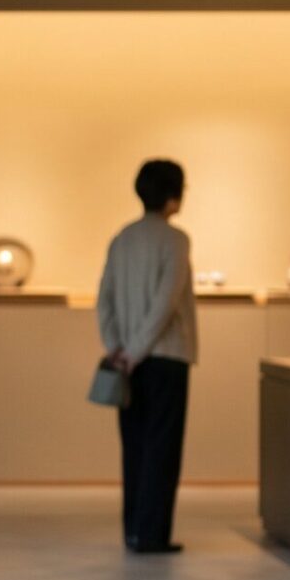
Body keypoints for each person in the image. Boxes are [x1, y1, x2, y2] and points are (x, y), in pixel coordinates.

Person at [96, 158, 196, 554]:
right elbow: (167, 303)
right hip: (166, 357)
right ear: (173, 194)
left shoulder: (122, 238)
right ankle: (152, 535)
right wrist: (138, 350)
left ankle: (133, 529)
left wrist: (118, 348)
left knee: (134, 446)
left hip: (127, 360)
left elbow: (104, 300)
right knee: (162, 448)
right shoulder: (176, 240)